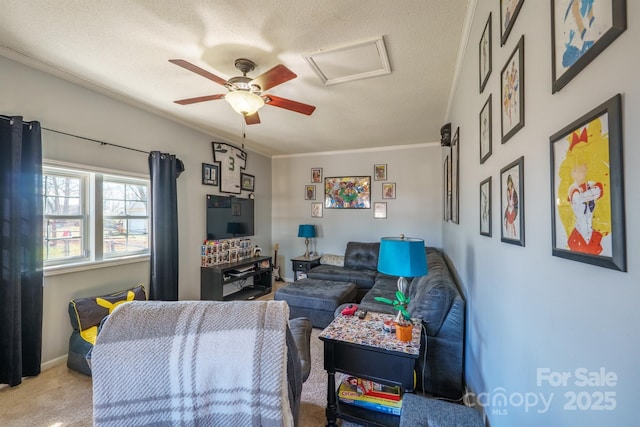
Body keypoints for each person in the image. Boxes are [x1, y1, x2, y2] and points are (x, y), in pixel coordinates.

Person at [567, 162, 603, 254]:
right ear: (572, 173)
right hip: (580, 233)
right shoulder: (572, 189)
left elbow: (599, 190)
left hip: (590, 233)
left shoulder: (589, 185)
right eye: (576, 171)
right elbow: (577, 197)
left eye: (582, 170)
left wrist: (586, 193)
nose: (579, 174)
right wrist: (588, 193)